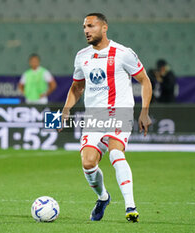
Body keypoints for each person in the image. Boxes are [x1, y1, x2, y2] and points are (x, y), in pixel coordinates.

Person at [59, 13, 152, 222]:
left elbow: (144, 81)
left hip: (120, 112)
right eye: (84, 26)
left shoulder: (123, 53)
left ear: (104, 27)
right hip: (94, 117)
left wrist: (144, 111)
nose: (86, 30)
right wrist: (66, 110)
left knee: (115, 153)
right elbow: (77, 87)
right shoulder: (82, 56)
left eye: (91, 26)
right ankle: (103, 197)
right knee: (88, 162)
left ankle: (130, 207)